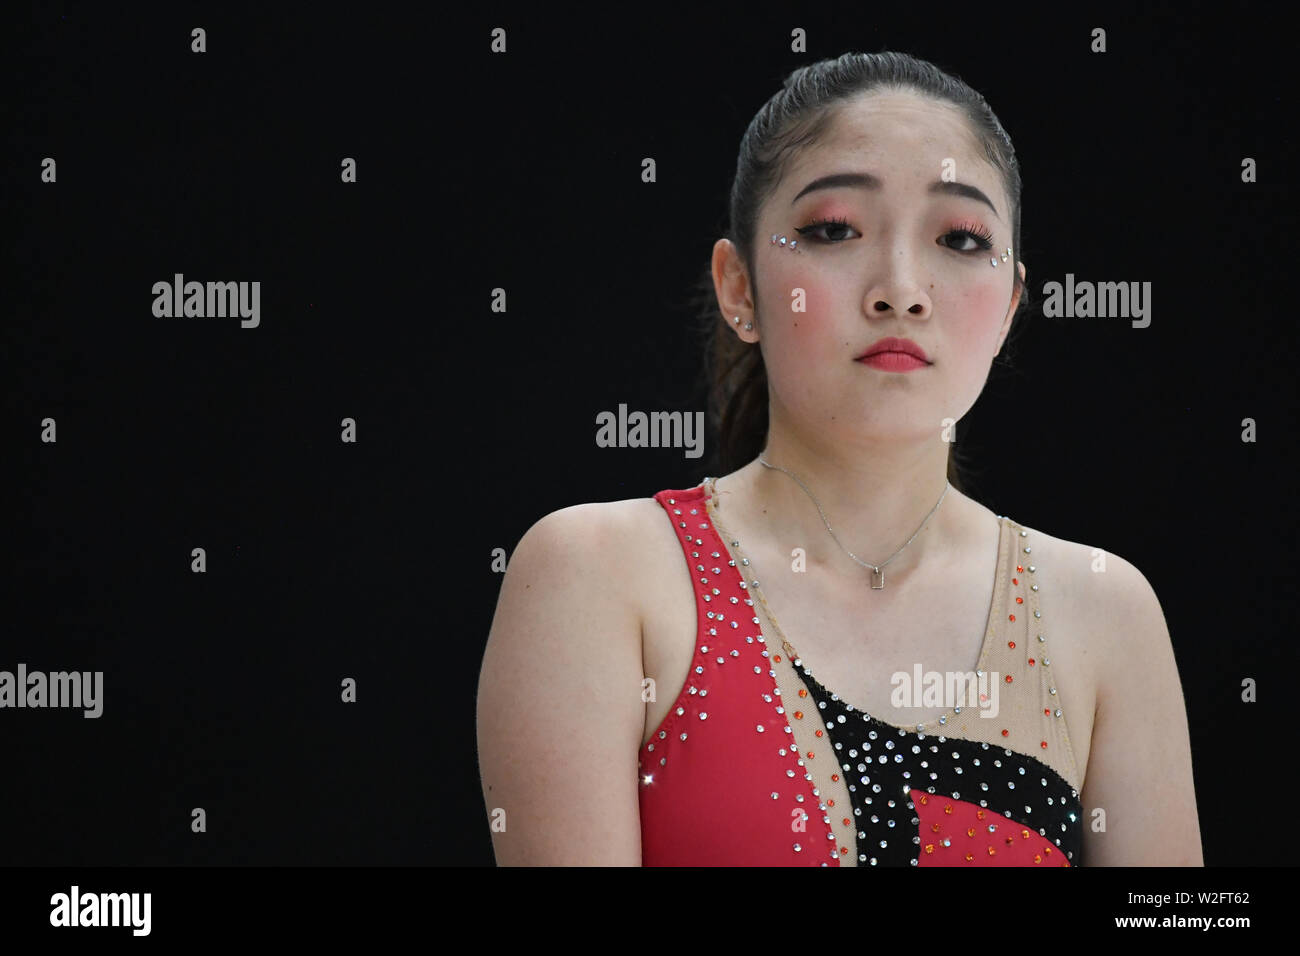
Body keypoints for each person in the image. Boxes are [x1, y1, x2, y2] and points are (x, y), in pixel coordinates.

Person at [476, 51, 1202, 866]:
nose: (900, 288)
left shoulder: (1104, 612)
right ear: (740, 287)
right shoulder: (602, 575)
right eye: (834, 230)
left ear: (1008, 310)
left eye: (960, 239)